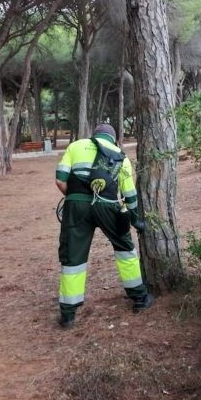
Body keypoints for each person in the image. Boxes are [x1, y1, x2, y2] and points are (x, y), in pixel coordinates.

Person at [54, 123, 153, 329]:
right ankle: (140, 299)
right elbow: (130, 196)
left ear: (94, 136)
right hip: (109, 207)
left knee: (73, 258)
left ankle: (68, 315)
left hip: (76, 207)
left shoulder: (75, 146)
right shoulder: (120, 156)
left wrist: (76, 200)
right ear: (113, 139)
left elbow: (60, 180)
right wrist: (135, 221)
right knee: (125, 250)